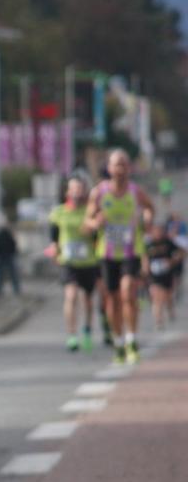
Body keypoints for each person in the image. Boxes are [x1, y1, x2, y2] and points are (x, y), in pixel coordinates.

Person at [86, 148, 155, 363]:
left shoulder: (136, 191)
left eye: (124, 164)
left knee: (128, 292)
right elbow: (87, 222)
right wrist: (95, 222)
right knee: (113, 300)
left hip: (131, 251)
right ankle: (118, 342)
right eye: (117, 164)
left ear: (129, 168)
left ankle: (131, 340)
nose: (120, 169)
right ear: (109, 168)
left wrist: (146, 218)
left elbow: (150, 208)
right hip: (107, 254)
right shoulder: (99, 192)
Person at [48, 176, 101, 352]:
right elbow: (54, 235)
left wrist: (93, 228)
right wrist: (54, 248)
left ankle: (87, 330)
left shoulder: (90, 211)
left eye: (80, 188)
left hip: (88, 261)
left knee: (87, 299)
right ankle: (72, 335)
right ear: (67, 192)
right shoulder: (59, 212)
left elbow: (97, 236)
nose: (77, 192)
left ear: (85, 191)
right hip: (68, 261)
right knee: (70, 296)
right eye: (74, 188)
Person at [144, 220, 184, 330]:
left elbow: (181, 252)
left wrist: (172, 261)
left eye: (160, 231)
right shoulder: (149, 245)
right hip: (154, 276)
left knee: (167, 296)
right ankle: (158, 320)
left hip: (167, 275)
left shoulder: (168, 243)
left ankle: (170, 310)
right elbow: (144, 257)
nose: (158, 233)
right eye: (156, 231)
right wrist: (145, 269)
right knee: (156, 297)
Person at [0, 217, 21, 296]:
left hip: (1, 256)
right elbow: (14, 245)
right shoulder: (9, 235)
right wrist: (13, 253)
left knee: (0, 275)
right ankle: (16, 290)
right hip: (9, 256)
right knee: (13, 274)